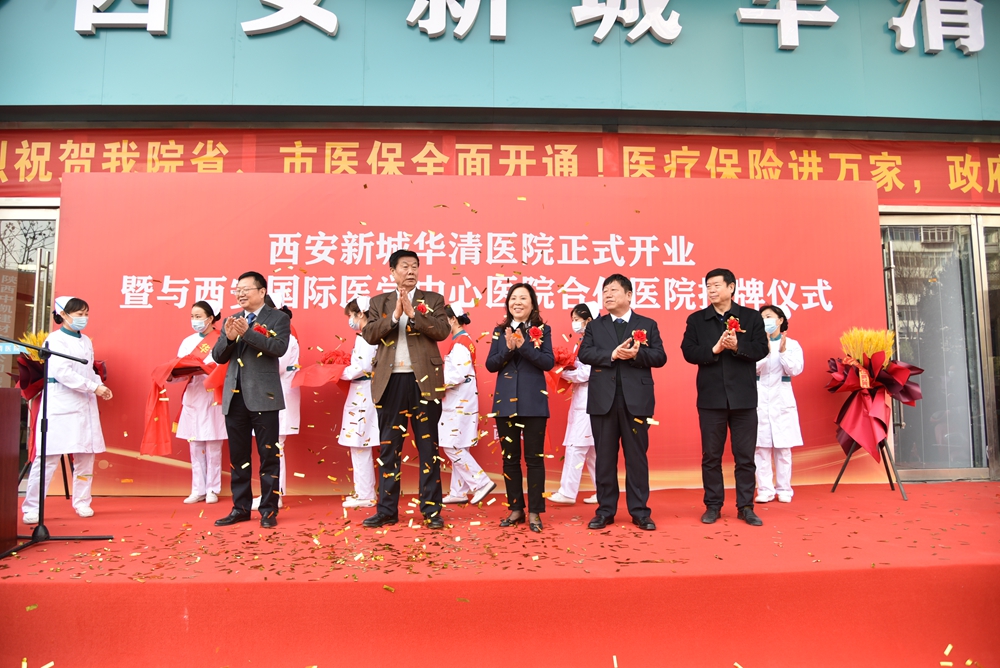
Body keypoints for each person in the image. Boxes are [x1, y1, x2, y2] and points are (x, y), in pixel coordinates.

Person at [361, 249, 450, 530]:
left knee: (428, 448)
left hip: (424, 381)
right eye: (405, 267)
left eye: (415, 266)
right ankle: (387, 510)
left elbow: (442, 331)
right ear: (392, 271)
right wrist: (394, 316)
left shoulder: (433, 300)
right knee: (389, 449)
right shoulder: (379, 302)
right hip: (390, 382)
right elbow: (369, 334)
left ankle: (432, 511)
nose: (411, 271)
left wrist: (413, 315)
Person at [681, 268, 769, 527]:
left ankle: (746, 507)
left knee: (745, 456)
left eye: (716, 285)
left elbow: (761, 349)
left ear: (731, 287)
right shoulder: (697, 320)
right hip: (711, 399)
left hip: (744, 399)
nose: (711, 290)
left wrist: (738, 346)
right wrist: (715, 349)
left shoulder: (751, 317)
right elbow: (688, 351)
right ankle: (713, 505)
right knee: (711, 456)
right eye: (708, 286)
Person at [579, 276, 667, 531]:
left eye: (613, 290)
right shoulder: (596, 326)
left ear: (629, 295)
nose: (607, 295)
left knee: (636, 458)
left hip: (637, 401)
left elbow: (660, 356)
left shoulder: (647, 324)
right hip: (603, 401)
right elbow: (585, 353)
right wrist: (612, 354)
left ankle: (640, 512)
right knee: (605, 458)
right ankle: (605, 511)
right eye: (604, 291)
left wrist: (638, 354)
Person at [22, 296, 111, 524]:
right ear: (62, 315)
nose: (84, 318)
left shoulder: (86, 341)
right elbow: (63, 373)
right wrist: (93, 387)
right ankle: (33, 507)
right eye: (79, 314)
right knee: (48, 457)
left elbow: (88, 370)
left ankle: (82, 501)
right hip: (61, 402)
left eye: (86, 314)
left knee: (85, 456)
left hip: (84, 404)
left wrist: (99, 385)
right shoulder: (55, 340)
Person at [212, 271, 290, 529]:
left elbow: (278, 348)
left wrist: (247, 333)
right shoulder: (232, 319)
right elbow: (218, 356)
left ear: (262, 291)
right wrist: (230, 338)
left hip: (264, 397)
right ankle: (240, 508)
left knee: (269, 456)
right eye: (238, 290)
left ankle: (268, 510)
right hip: (234, 398)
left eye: (246, 289)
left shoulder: (278, 318)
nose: (240, 294)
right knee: (238, 457)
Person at [485, 283, 554, 533]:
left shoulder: (542, 330)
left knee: (534, 459)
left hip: (533, 402)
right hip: (505, 403)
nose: (517, 302)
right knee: (510, 459)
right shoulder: (499, 331)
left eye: (523, 298)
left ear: (532, 304)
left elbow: (548, 362)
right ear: (508, 303)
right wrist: (507, 349)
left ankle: (535, 511)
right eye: (513, 298)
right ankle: (516, 508)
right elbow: (490, 364)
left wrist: (523, 346)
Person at [439, 303, 496, 506]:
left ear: (453, 320)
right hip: (462, 400)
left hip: (459, 402)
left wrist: (436, 383)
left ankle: (481, 483)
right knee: (460, 445)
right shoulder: (461, 341)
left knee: (452, 445)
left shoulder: (461, 343)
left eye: (443, 320)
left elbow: (458, 374)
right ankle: (459, 491)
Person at [174, 300, 227, 505]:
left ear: (210, 318)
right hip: (194, 395)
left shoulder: (222, 339)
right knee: (195, 445)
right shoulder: (188, 342)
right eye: (192, 317)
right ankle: (198, 489)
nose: (194, 320)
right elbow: (179, 369)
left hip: (214, 396)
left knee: (213, 445)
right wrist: (171, 375)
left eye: (198, 317)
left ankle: (213, 489)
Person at [548, 302, 600, 506]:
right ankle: (603, 491)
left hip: (589, 400)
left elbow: (588, 372)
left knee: (576, 447)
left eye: (577, 320)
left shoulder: (594, 341)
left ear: (589, 320)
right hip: (586, 399)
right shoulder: (584, 341)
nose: (574, 323)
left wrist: (562, 372)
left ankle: (568, 492)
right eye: (573, 320)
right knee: (592, 450)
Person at [252, 293, 299, 511]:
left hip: (278, 397)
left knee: (275, 447)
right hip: (265, 397)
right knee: (269, 448)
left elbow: (276, 367)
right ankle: (269, 493)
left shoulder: (285, 337)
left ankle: (274, 494)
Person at [754, 304, 804, 504]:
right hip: (760, 399)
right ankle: (765, 489)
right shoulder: (755, 344)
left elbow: (795, 369)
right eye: (762, 317)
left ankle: (784, 489)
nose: (765, 320)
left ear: (780, 320)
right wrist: (765, 352)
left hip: (782, 400)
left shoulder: (792, 344)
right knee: (761, 447)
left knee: (783, 449)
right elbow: (751, 369)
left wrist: (782, 352)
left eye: (769, 316)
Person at [338, 296, 379, 509]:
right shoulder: (366, 336)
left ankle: (366, 494)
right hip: (362, 392)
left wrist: (338, 372)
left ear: (360, 314)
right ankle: (364, 491)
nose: (351, 320)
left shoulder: (367, 337)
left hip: (363, 393)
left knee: (360, 444)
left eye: (352, 315)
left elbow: (362, 367)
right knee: (360, 445)